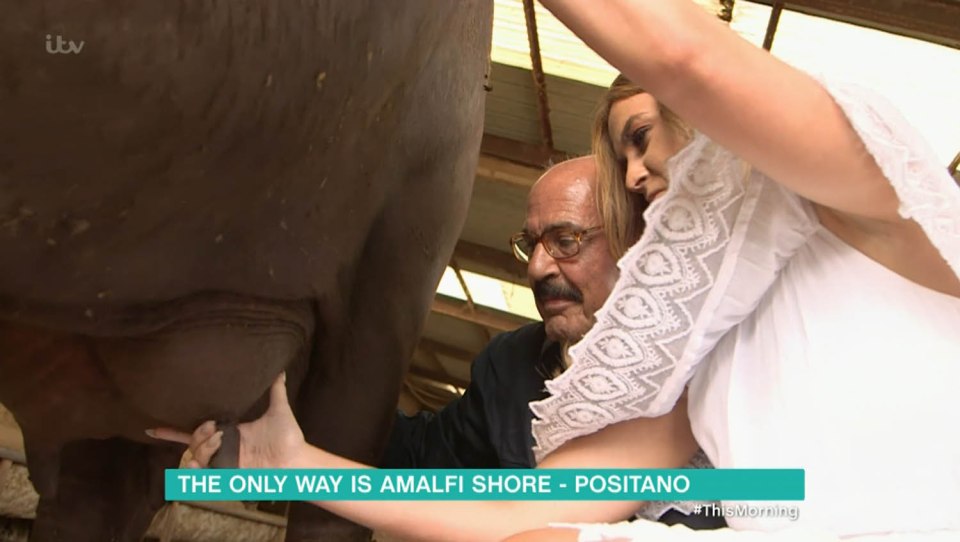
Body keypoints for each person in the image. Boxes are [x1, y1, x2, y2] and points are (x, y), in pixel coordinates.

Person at [153, 1, 960, 540]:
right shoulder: (694, 366)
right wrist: (294, 466)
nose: (636, 173)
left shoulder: (879, 195)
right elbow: (522, 507)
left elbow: (689, 59)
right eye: (620, 154)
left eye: (641, 135)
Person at [381, 155, 723, 529]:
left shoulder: (714, 371)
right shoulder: (510, 365)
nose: (536, 267)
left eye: (565, 241)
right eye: (531, 245)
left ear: (637, 242)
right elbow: (425, 460)